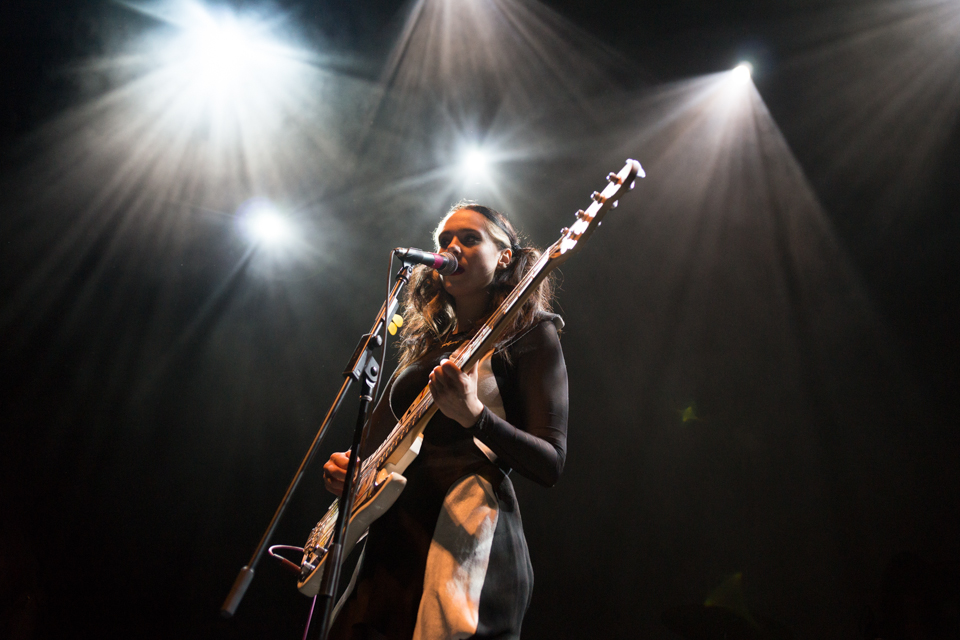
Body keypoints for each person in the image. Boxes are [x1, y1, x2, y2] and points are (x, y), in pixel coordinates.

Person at [323, 203, 569, 640]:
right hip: (390, 540)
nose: (451, 248)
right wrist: (349, 471)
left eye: (469, 238)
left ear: (505, 256)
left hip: (464, 532)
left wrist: (476, 417)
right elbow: (373, 448)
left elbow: (550, 462)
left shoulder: (532, 332)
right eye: (443, 241)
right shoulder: (429, 347)